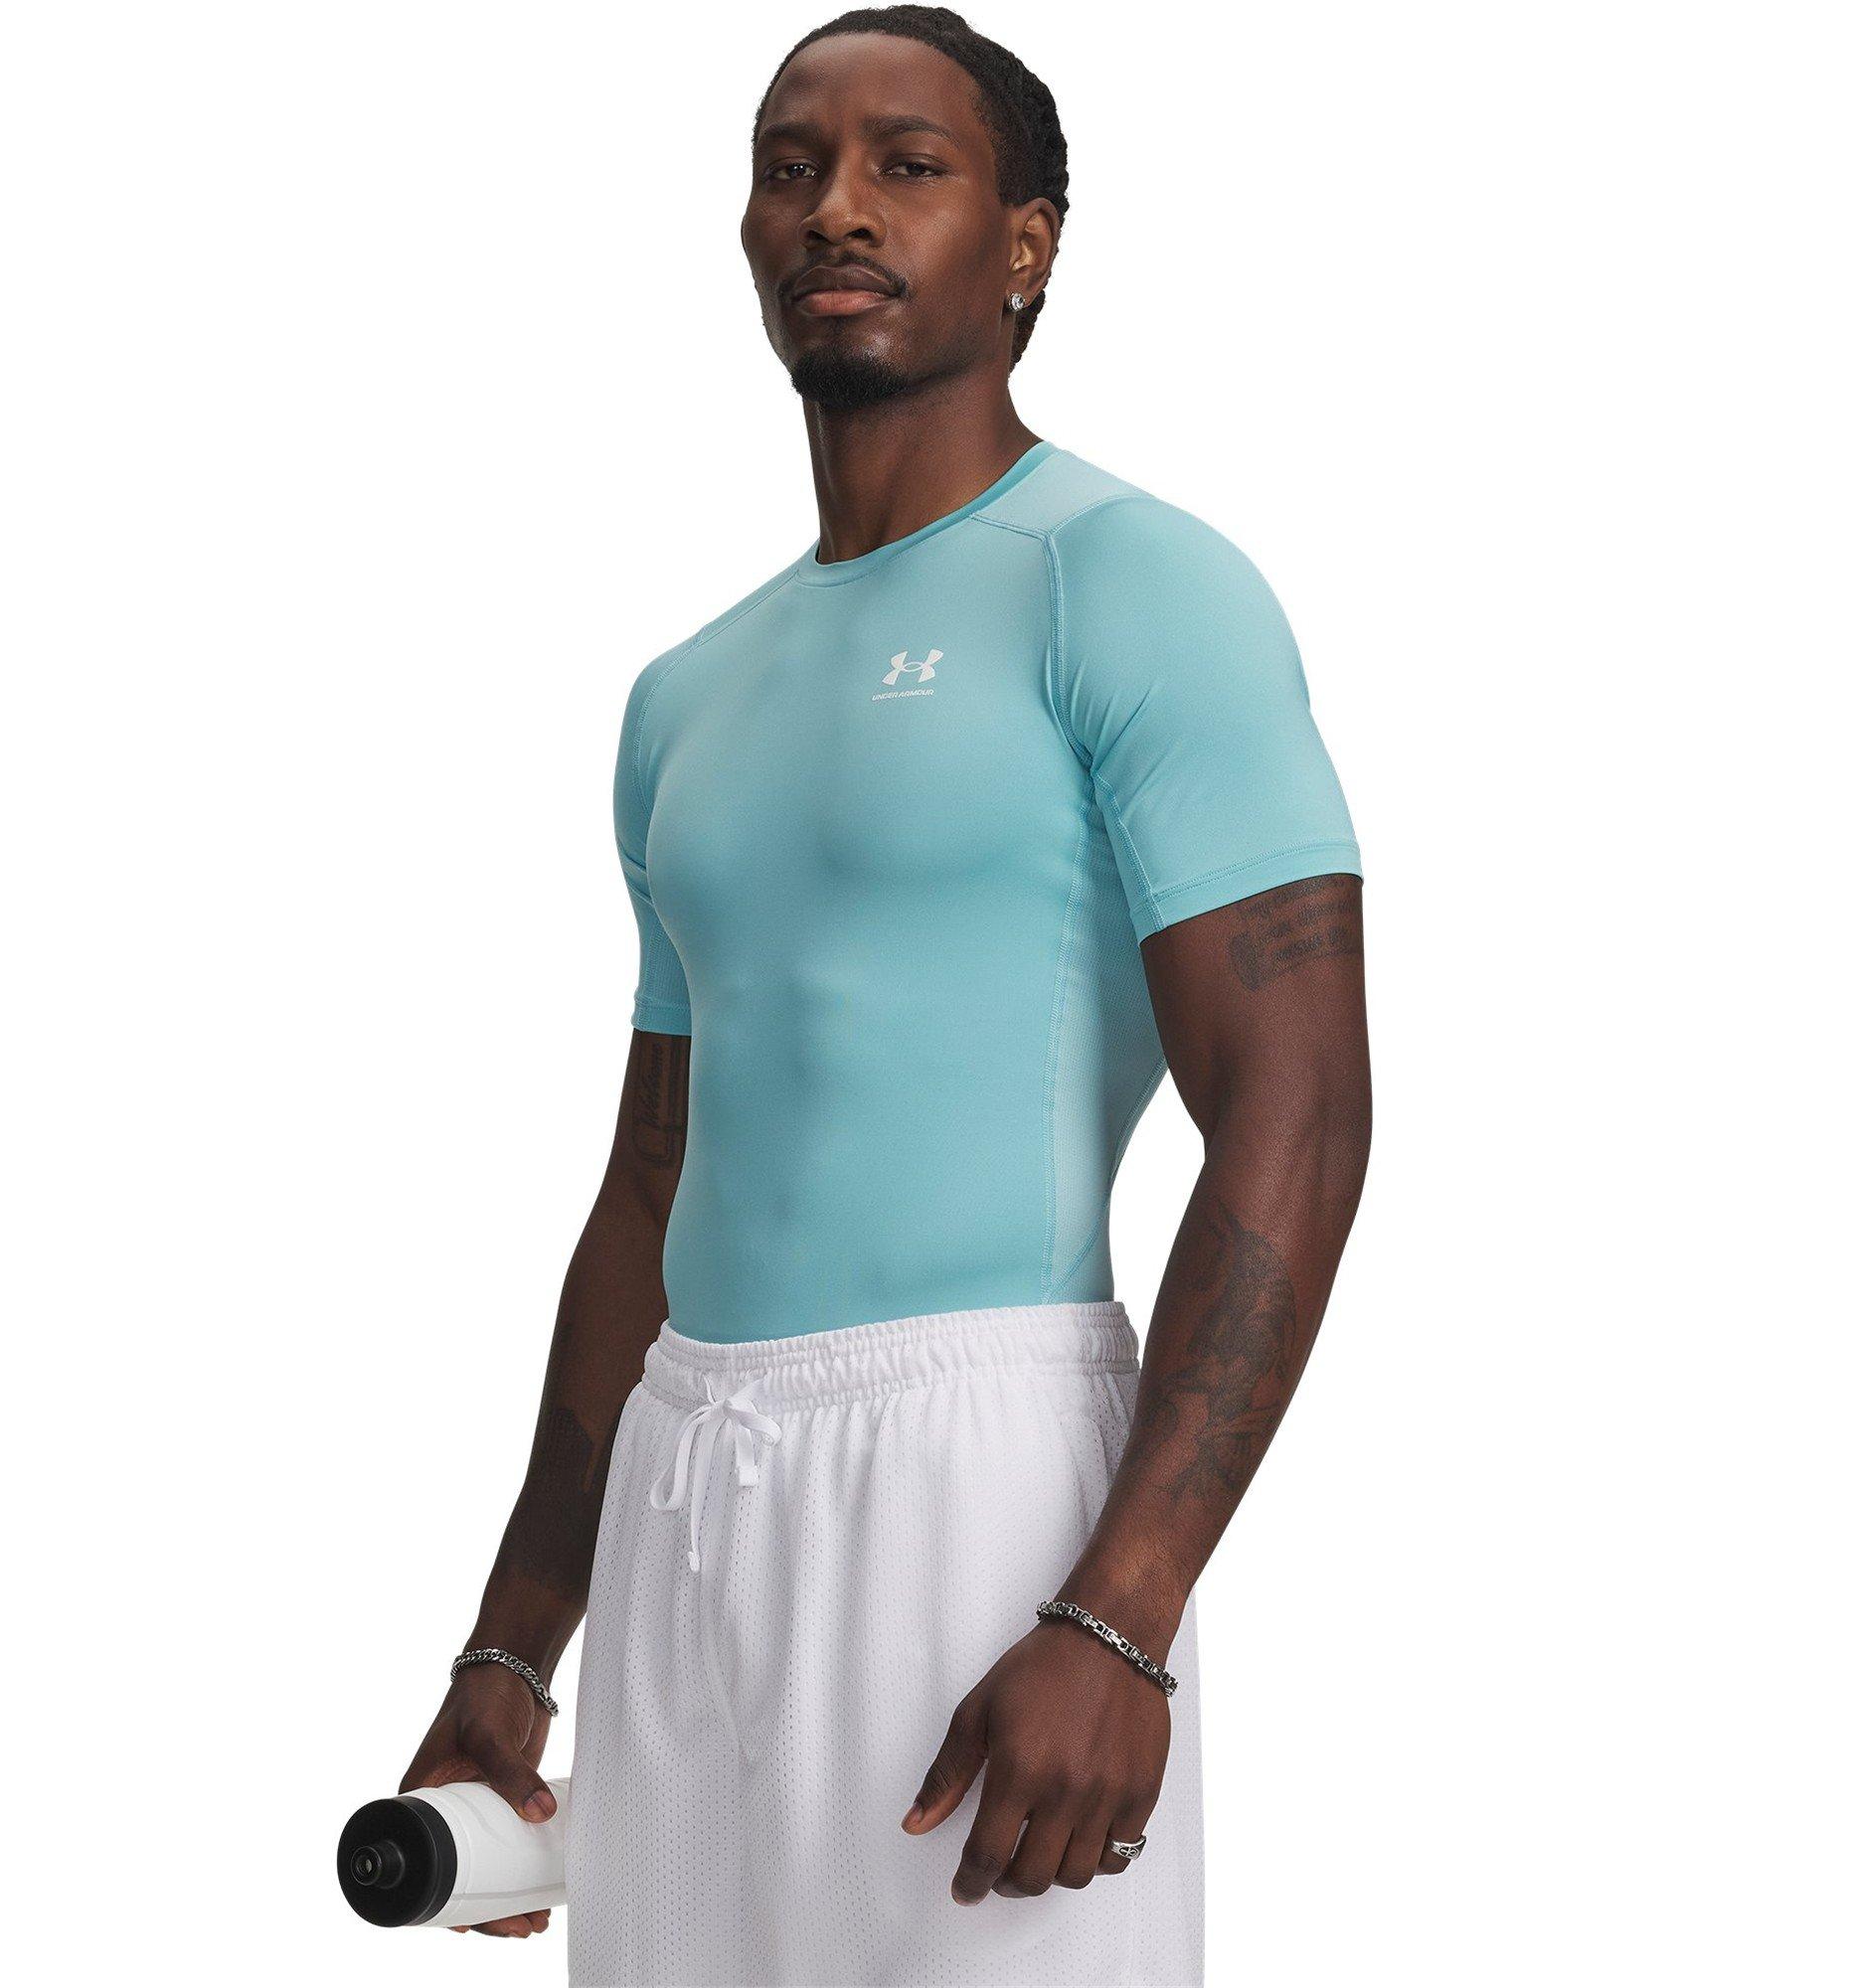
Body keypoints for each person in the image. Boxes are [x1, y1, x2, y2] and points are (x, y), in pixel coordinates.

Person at [398, 9, 1370, 1982]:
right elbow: (653, 1186)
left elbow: (1300, 1105)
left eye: (904, 165)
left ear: (1027, 241)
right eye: (790, 166)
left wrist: (1121, 1612)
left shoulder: (1128, 583)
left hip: (980, 1475)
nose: (832, 208)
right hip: (685, 1474)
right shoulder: (685, 693)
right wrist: (511, 1645)